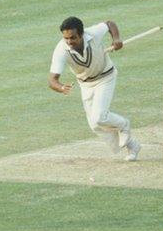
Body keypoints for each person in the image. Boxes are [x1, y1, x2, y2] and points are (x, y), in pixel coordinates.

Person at [48, 16, 141, 161]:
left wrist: (116, 39)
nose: (69, 42)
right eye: (66, 38)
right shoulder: (61, 49)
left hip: (106, 77)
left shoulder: (93, 33)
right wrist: (60, 87)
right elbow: (52, 80)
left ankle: (124, 124)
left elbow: (110, 23)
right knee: (95, 125)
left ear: (82, 34)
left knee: (99, 116)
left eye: (72, 38)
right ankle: (132, 145)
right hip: (85, 84)